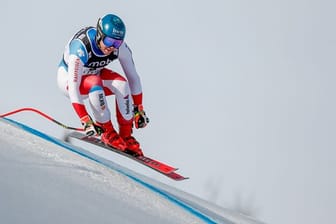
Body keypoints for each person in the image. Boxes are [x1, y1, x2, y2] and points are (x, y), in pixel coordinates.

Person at [57, 13, 149, 156]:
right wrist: (85, 120)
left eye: (117, 43)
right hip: (69, 81)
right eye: (109, 41)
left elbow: (133, 78)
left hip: (95, 74)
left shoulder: (120, 48)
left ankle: (126, 137)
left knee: (122, 85)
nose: (111, 47)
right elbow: (74, 88)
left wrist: (138, 109)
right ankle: (107, 131)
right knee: (95, 82)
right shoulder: (81, 47)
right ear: (100, 35)